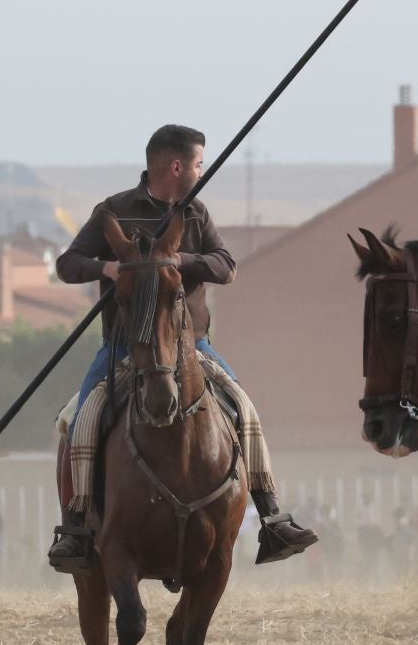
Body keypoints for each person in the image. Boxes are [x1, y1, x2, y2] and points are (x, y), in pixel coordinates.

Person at [46, 124, 318, 570]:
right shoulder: (113, 211)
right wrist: (109, 267)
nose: (200, 170)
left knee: (243, 408)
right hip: (123, 349)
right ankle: (76, 529)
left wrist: (181, 260)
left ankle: (272, 516)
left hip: (193, 347)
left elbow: (226, 266)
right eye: (197, 164)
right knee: (84, 417)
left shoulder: (196, 215)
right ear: (176, 166)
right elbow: (67, 264)